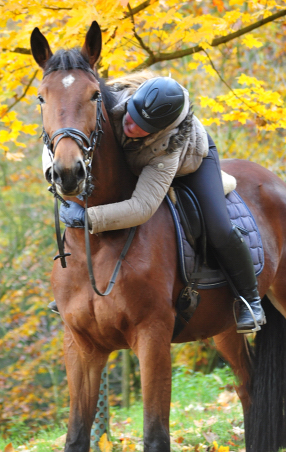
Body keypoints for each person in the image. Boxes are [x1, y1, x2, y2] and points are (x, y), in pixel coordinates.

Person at [44, 73, 265, 334]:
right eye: (131, 115)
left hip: (189, 160)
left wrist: (87, 218)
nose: (131, 125)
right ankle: (77, 288)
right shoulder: (110, 101)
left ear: (156, 130)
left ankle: (250, 299)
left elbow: (142, 208)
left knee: (218, 227)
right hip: (134, 156)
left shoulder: (167, 145)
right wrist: (54, 172)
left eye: (141, 126)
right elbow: (60, 127)